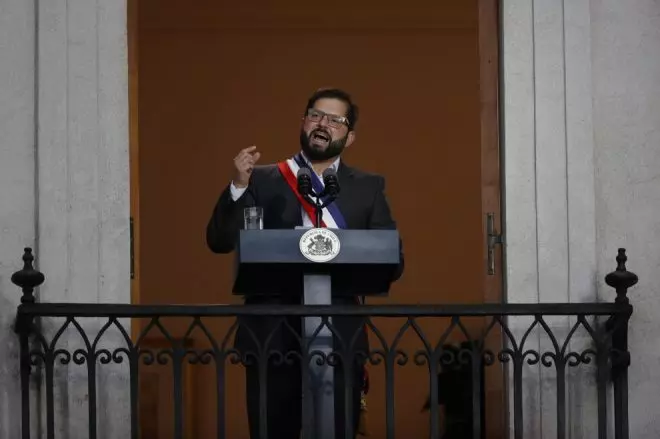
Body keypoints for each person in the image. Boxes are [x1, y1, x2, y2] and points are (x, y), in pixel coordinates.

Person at [206, 88, 404, 439]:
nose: (322, 124)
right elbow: (220, 241)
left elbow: (392, 258)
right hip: (272, 335)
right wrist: (238, 185)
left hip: (340, 336)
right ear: (303, 122)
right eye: (315, 115)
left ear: (350, 135)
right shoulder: (262, 179)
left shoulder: (368, 188)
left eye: (334, 119)